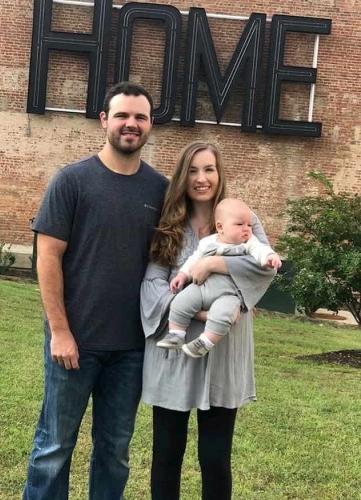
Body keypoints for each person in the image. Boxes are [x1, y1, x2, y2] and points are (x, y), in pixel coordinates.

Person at [22, 81, 168, 500]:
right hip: (74, 343)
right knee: (53, 448)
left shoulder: (159, 190)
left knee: (115, 452)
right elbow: (47, 257)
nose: (131, 124)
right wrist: (61, 331)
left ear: (150, 125)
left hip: (131, 349)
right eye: (122, 115)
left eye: (140, 117)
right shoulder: (72, 181)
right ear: (104, 120)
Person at [140, 141, 277, 499]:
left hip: (223, 351)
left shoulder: (242, 217)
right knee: (167, 453)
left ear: (220, 174)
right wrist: (194, 309)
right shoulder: (170, 223)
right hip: (175, 350)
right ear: (183, 176)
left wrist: (212, 264)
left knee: (215, 457)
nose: (202, 179)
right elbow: (153, 280)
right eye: (194, 170)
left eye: (209, 169)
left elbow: (264, 266)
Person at [158, 197, 281, 358]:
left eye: (249, 225)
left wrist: (270, 257)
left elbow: (261, 251)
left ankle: (205, 342)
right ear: (220, 227)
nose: (247, 229)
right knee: (180, 302)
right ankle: (176, 334)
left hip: (229, 293)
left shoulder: (249, 243)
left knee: (223, 314)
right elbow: (194, 259)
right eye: (239, 224)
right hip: (202, 288)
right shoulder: (208, 242)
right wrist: (182, 275)